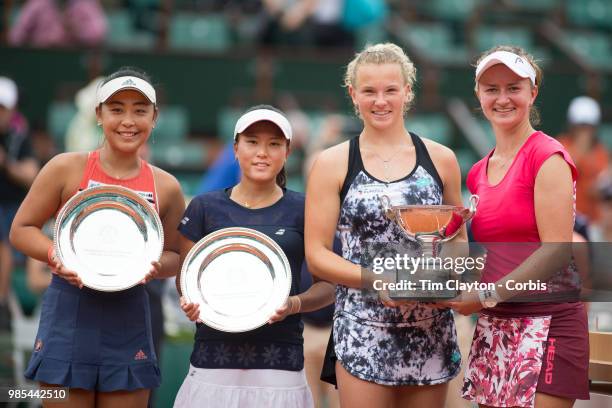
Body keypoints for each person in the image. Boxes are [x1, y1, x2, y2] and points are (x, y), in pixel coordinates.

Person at [9, 67, 185, 407]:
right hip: (68, 319)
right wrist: (55, 255)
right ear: (98, 115)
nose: (128, 120)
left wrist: (153, 265)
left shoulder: (167, 187)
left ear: (155, 117)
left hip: (129, 321)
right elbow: (21, 230)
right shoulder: (64, 168)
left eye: (140, 110)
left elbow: (176, 256)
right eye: (116, 109)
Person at [305, 42, 466, 407]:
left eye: (391, 90)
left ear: (407, 91)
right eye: (369, 91)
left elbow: (457, 243)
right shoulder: (332, 163)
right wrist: (379, 280)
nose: (381, 101)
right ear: (353, 94)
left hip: (430, 332)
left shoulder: (442, 160)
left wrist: (448, 283)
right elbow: (316, 256)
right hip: (362, 332)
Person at [451, 46, 589, 408]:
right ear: (478, 95)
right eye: (491, 89)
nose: (502, 98)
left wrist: (483, 295)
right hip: (495, 324)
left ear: (533, 93)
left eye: (514, 87)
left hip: (549, 321)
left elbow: (557, 250)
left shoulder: (547, 156)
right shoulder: (478, 172)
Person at [175, 105, 335, 408]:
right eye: (252, 142)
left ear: (287, 152)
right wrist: (190, 302)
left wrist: (294, 304)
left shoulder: (306, 209)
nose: (262, 152)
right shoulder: (203, 207)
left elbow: (328, 286)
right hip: (212, 360)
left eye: (274, 144)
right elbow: (186, 281)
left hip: (281, 363)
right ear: (235, 148)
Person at [0, 76, 38, 332]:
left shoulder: (20, 139)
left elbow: (31, 174)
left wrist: (5, 164)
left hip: (11, 212)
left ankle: (1, 304)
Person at [557, 96, 608, 223]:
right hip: (565, 219)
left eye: (588, 127)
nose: (584, 131)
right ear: (572, 126)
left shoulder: (600, 152)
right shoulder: (560, 145)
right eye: (580, 126)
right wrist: (580, 149)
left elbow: (600, 188)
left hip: (593, 222)